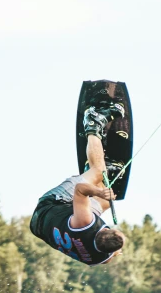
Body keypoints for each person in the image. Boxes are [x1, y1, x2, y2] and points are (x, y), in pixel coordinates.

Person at [29, 104, 126, 265]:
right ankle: (99, 165)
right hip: (40, 230)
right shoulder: (99, 259)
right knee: (106, 202)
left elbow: (80, 191)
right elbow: (105, 258)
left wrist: (99, 191)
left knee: (97, 172)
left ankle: (93, 123)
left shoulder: (85, 222)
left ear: (105, 230)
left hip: (49, 206)